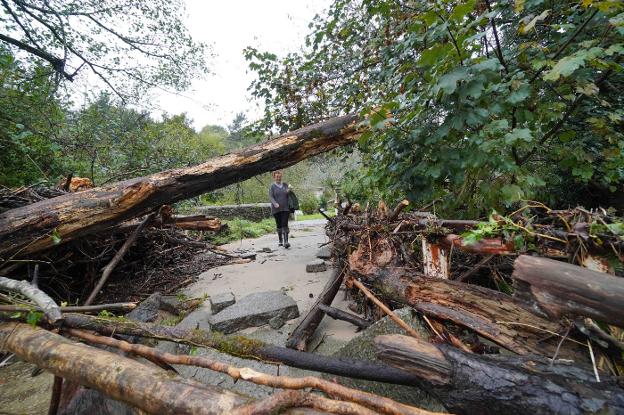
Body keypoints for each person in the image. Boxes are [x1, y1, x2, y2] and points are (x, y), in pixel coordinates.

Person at [269, 170, 291, 248]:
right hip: (276, 209)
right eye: (277, 177)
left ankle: (286, 242)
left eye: (280, 176)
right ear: (274, 177)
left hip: (285, 208)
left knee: (285, 224)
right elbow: (271, 197)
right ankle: (280, 240)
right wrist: (275, 203)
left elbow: (288, 195)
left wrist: (288, 191)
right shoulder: (272, 186)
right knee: (279, 225)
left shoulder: (285, 185)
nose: (278, 178)